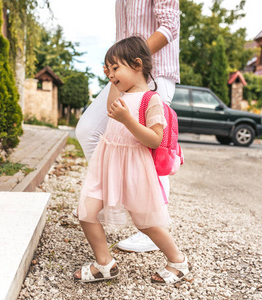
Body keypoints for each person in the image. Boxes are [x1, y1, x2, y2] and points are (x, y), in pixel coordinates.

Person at [73, 36, 191, 284]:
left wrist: (128, 120)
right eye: (109, 69)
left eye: (115, 68)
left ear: (137, 64)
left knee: (145, 222)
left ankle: (178, 261)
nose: (111, 74)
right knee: (86, 211)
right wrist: (113, 81)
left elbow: (154, 139)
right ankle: (104, 263)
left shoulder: (152, 100)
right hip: (106, 165)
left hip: (134, 168)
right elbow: (110, 109)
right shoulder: (122, 96)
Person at [75, 0, 180, 252]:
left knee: (151, 152)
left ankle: (151, 224)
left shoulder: (148, 92)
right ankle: (114, 196)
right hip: (124, 70)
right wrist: (115, 70)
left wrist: (127, 62)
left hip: (153, 72)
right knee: (88, 129)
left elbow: (169, 27)